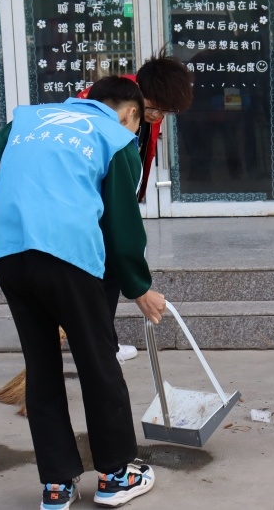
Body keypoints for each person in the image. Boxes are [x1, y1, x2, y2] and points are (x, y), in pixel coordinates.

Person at [0, 75, 166, 508]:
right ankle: (115, 476)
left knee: (41, 367)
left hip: (13, 255)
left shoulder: (26, 120)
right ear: (131, 113)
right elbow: (121, 221)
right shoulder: (116, 137)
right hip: (69, 257)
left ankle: (56, 485)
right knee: (98, 363)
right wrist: (139, 287)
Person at [78, 49, 193, 361]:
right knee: (107, 270)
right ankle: (100, 347)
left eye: (165, 113)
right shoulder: (105, 101)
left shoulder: (147, 107)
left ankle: (103, 343)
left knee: (110, 271)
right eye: (154, 110)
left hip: (111, 200)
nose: (158, 117)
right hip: (87, 203)